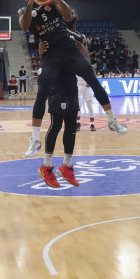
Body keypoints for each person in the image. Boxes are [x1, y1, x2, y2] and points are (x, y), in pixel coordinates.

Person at [18, 0, 125, 157]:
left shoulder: (52, 3)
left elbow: (69, 16)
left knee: (93, 80)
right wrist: (30, 4)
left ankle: (112, 120)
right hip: (50, 55)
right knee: (42, 92)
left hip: (69, 49)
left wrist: (59, 0)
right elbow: (25, 25)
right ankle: (35, 139)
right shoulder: (24, 10)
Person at [36, 39, 82, 188]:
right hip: (57, 87)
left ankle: (66, 166)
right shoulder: (53, 33)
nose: (72, 13)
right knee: (55, 126)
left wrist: (82, 47)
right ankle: (46, 166)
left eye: (74, 12)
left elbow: (85, 61)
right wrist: (41, 53)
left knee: (71, 128)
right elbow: (43, 56)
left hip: (72, 88)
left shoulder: (78, 37)